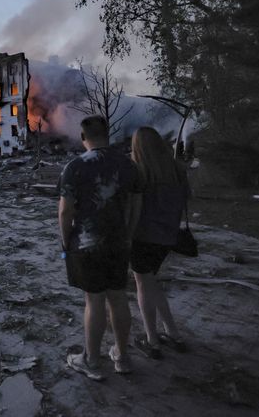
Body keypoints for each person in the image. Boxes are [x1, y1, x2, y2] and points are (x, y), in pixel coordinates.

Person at [59, 115, 141, 380]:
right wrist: (128, 234)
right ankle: (122, 356)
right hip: (118, 242)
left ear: (84, 138)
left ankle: (92, 360)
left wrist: (65, 240)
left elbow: (65, 211)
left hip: (87, 244)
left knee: (94, 301)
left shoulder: (75, 166)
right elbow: (135, 205)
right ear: (108, 134)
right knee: (118, 298)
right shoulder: (128, 165)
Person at [129, 127, 189, 359]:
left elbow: (133, 209)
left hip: (143, 238)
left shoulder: (139, 173)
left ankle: (152, 340)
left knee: (144, 286)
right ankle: (173, 333)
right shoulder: (176, 170)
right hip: (167, 238)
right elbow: (184, 202)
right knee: (152, 283)